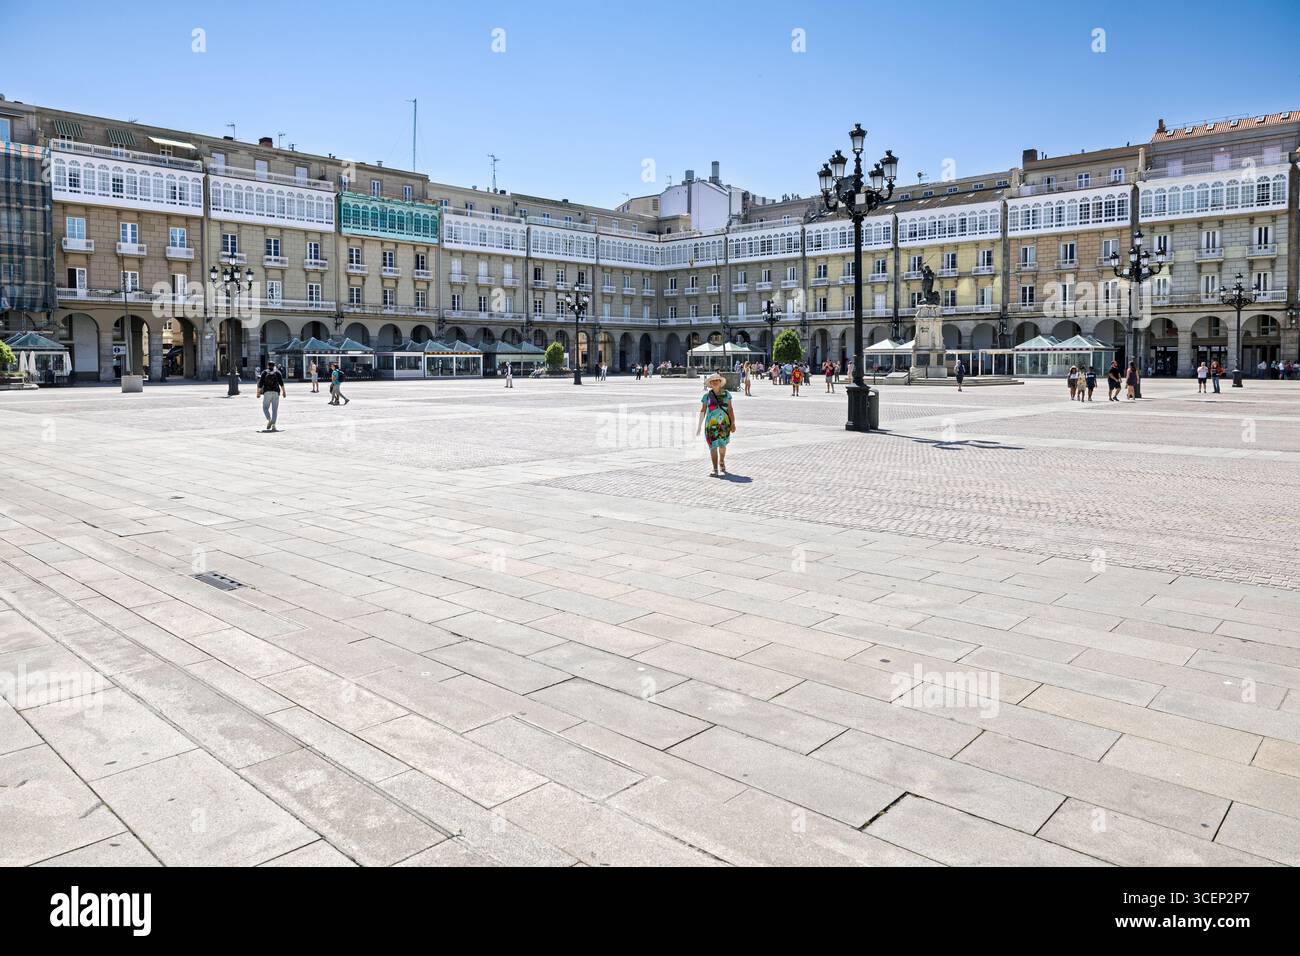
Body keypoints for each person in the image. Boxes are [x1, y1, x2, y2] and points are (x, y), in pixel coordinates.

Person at [695, 370, 735, 477]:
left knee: (722, 446)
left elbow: (730, 409)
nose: (714, 383)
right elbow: (703, 410)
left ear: (719, 381)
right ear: (710, 384)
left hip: (724, 425)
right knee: (713, 447)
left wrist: (733, 423)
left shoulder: (727, 394)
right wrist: (699, 425)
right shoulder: (706, 396)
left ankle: (721, 460)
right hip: (710, 425)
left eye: (716, 380)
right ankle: (715, 468)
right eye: (712, 381)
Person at [256, 361, 286, 432]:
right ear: (274, 366)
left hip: (267, 392)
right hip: (276, 392)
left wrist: (258, 393)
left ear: (267, 366)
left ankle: (269, 419)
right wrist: (284, 392)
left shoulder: (264, 372)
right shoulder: (278, 372)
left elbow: (260, 384)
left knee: (265, 408)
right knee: (274, 410)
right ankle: (273, 425)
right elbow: (281, 383)